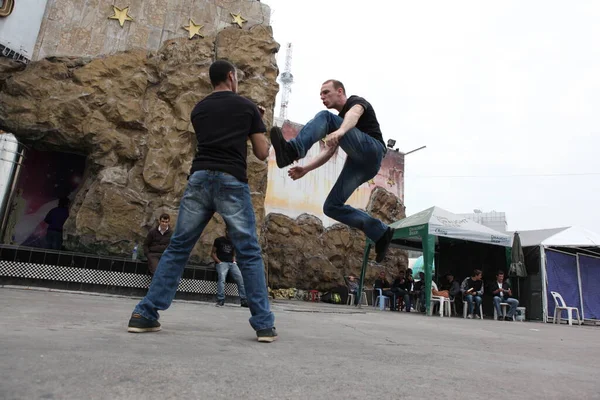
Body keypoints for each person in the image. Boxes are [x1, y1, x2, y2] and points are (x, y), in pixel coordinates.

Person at [127, 60, 276, 343]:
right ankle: (264, 325)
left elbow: (217, 134)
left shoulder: (199, 109)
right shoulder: (247, 107)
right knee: (248, 251)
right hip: (231, 181)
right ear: (231, 77)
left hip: (199, 179)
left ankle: (144, 314)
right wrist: (258, 122)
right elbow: (260, 152)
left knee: (178, 247)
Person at [270, 79, 394, 263]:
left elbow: (355, 114)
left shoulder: (355, 102)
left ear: (340, 91)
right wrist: (305, 168)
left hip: (373, 151)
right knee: (331, 206)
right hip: (361, 165)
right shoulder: (338, 126)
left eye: (326, 92)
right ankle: (380, 231)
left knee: (325, 116)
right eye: (321, 94)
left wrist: (341, 130)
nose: (322, 97)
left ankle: (293, 151)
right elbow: (328, 151)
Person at [212, 230, 248, 308]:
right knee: (221, 279)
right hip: (222, 263)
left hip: (232, 263)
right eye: (229, 231)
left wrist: (234, 261)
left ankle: (244, 300)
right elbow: (213, 253)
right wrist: (219, 262)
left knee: (240, 279)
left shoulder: (234, 241)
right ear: (226, 231)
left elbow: (233, 253)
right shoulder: (219, 240)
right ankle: (220, 300)